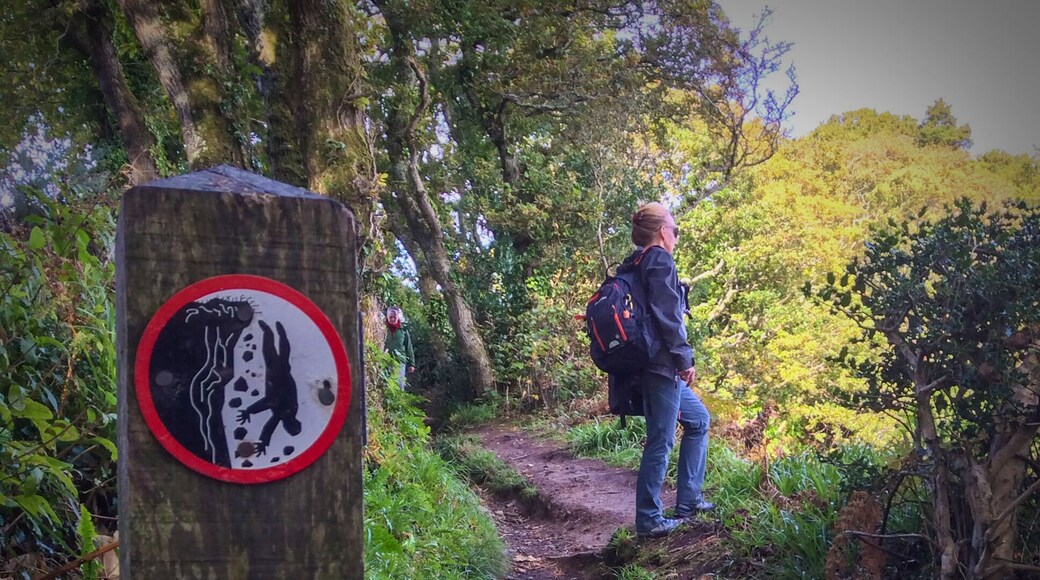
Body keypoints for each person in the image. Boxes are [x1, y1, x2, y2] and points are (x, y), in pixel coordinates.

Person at [621, 202, 713, 539]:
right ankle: (648, 520)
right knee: (660, 440)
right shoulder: (659, 259)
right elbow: (668, 316)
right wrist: (684, 359)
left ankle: (688, 502)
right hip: (661, 365)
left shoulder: (633, 262)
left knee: (699, 420)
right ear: (662, 231)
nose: (675, 235)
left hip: (646, 362)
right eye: (674, 229)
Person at [383, 307, 415, 390]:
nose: (393, 319)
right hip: (385, 360)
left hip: (399, 361)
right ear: (387, 317)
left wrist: (412, 364)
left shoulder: (403, 330)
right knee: (386, 385)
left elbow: (409, 347)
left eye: (395, 317)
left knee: (399, 385)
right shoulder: (382, 329)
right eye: (391, 317)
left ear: (398, 317)